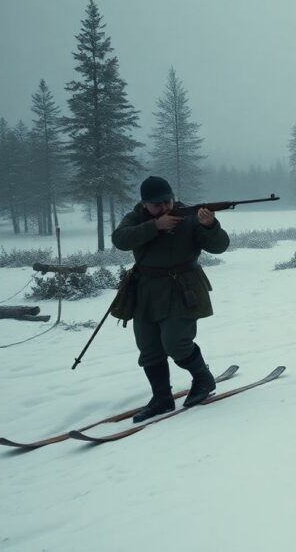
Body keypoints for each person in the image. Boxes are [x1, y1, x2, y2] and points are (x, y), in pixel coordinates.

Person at [111, 176, 231, 422]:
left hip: (183, 288)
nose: (164, 208)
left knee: (176, 343)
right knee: (149, 347)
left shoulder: (190, 216)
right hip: (145, 290)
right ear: (144, 204)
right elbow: (120, 240)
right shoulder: (136, 217)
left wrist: (210, 226)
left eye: (167, 202)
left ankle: (203, 379)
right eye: (157, 205)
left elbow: (220, 247)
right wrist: (156, 226)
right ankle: (161, 398)